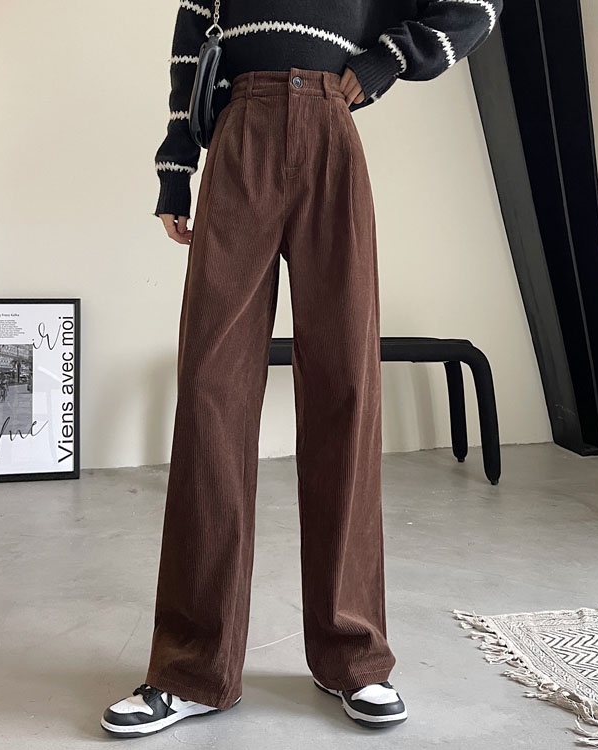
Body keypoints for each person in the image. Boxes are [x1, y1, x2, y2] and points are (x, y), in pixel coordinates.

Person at [102, 0, 503, 738]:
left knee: (347, 389)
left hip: (330, 131)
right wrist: (175, 168)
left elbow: (477, 4)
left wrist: (387, 60)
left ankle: (353, 656)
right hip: (239, 136)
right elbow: (191, 50)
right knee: (210, 393)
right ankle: (191, 668)